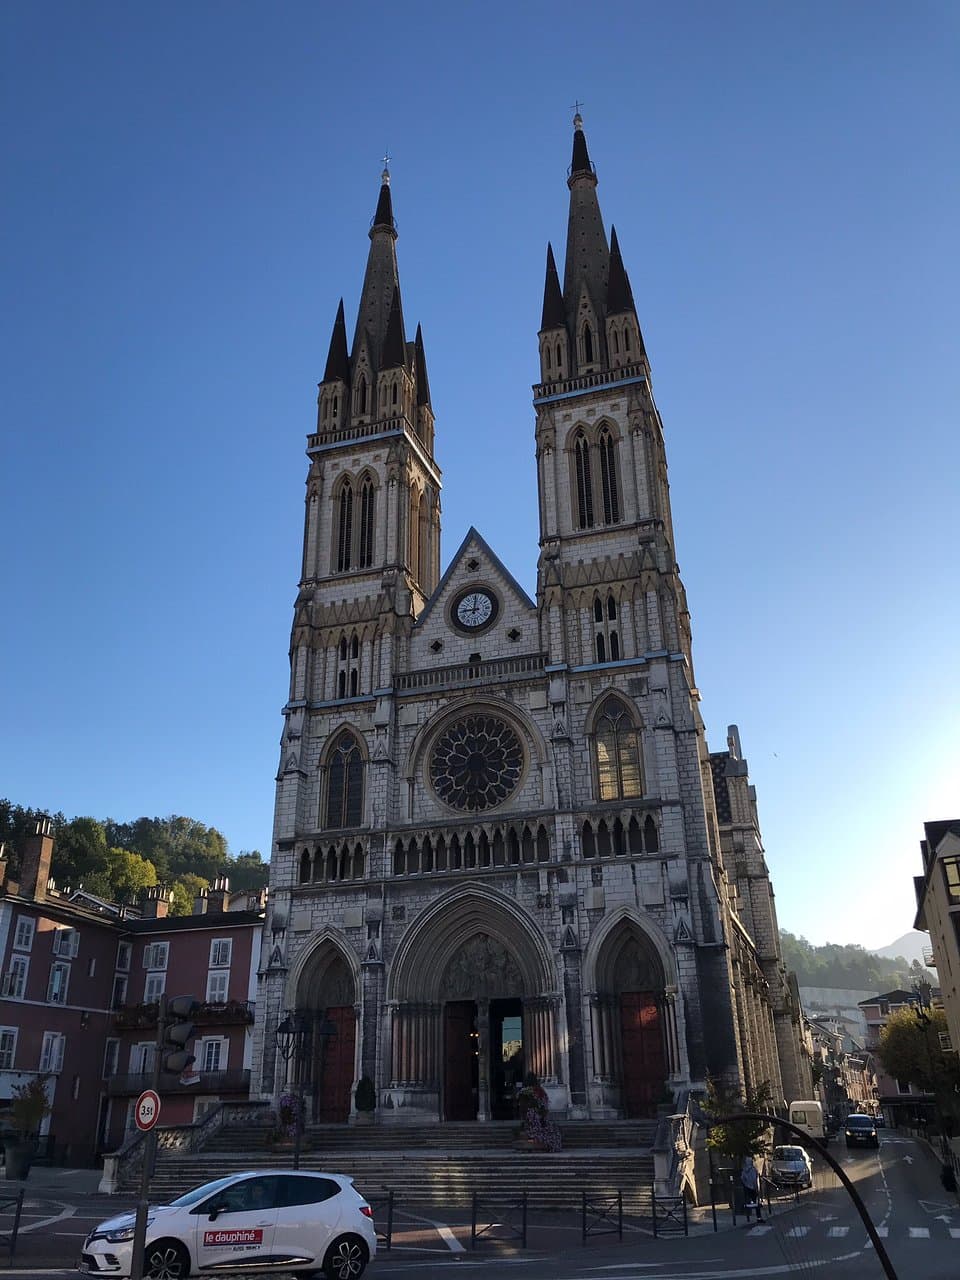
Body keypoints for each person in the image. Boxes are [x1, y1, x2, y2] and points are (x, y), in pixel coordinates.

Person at [741, 1155, 764, 1223]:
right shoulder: (753, 1170)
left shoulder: (744, 1170)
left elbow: (742, 1178)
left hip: (746, 1188)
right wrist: (756, 1188)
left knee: (748, 1202)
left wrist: (745, 1184)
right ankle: (759, 1218)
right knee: (756, 1203)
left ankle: (747, 1216)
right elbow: (754, 1180)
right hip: (753, 1188)